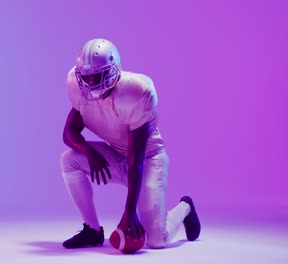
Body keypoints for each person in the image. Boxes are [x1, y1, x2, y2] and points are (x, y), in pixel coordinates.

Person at [60, 38, 201, 249]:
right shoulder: (78, 88)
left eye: (97, 76)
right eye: (87, 77)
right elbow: (69, 133)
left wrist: (129, 211)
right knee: (69, 160)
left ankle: (185, 207)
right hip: (118, 156)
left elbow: (136, 160)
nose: (91, 84)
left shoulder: (136, 91)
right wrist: (89, 151)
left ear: (113, 71)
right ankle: (92, 230)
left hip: (148, 160)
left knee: (155, 240)